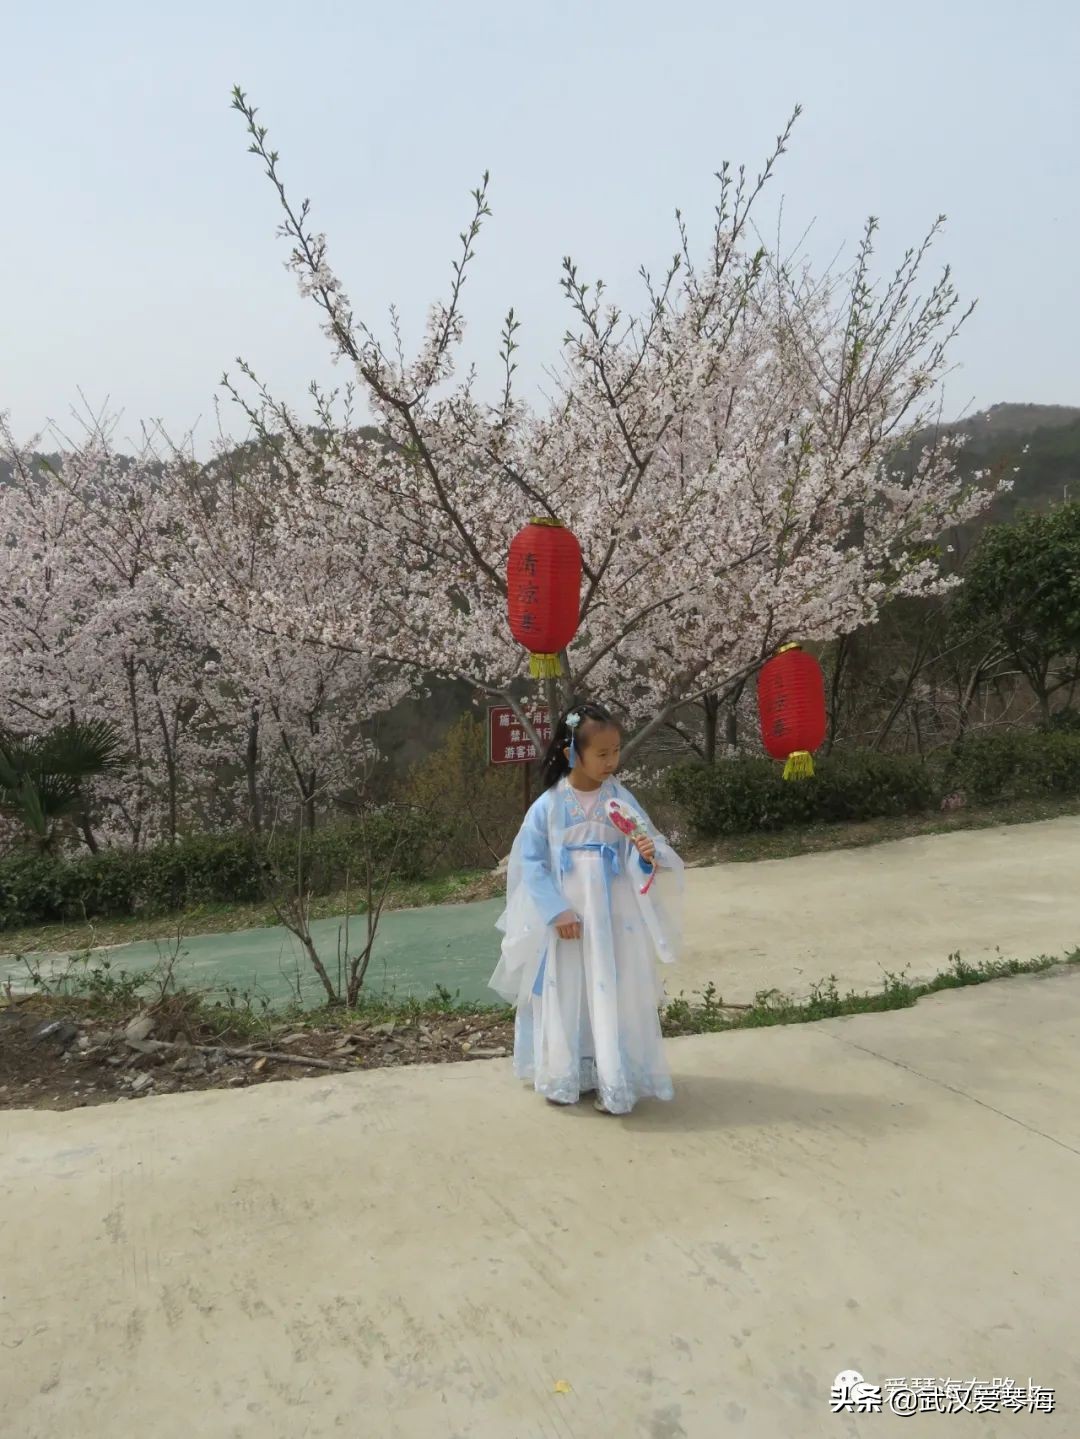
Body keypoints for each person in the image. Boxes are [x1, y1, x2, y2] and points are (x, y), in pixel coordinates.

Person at [489, 699, 684, 1114]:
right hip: (569, 921)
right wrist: (556, 910)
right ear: (571, 752)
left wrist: (644, 854)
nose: (612, 761)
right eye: (602, 753)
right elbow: (531, 863)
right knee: (569, 990)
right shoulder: (550, 806)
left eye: (616, 751)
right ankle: (567, 1073)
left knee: (613, 989)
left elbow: (642, 845)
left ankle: (615, 1077)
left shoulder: (619, 800)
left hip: (614, 919)